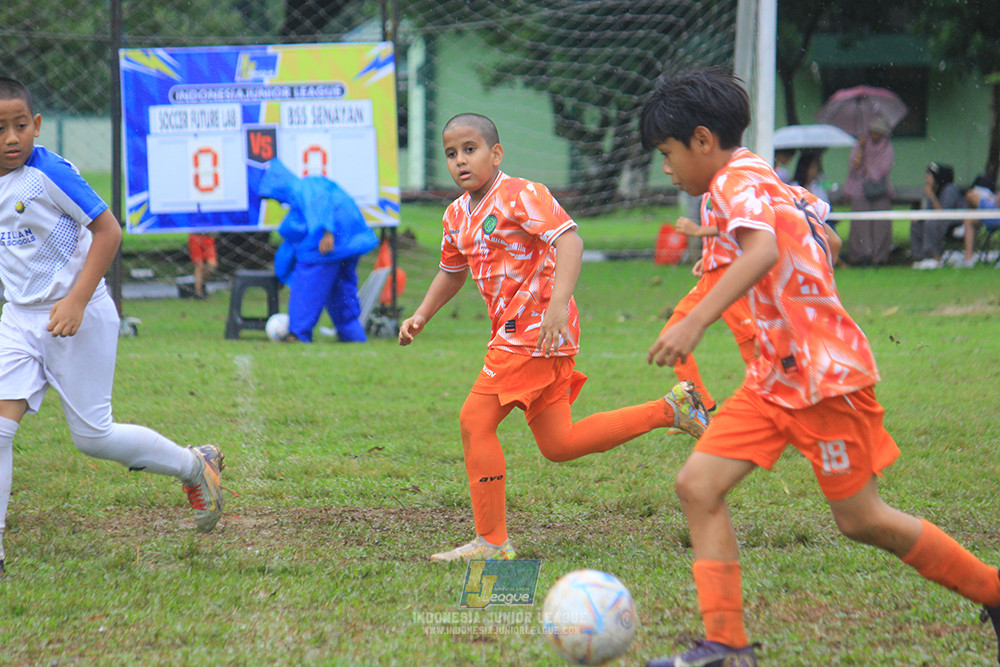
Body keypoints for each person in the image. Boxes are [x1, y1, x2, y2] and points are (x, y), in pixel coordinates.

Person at [637, 67, 1000, 666]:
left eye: (668, 153)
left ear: (703, 140)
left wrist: (696, 319)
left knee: (862, 520)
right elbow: (824, 239)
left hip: (823, 378)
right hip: (775, 380)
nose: (667, 167)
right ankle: (727, 647)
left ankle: (992, 588)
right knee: (697, 486)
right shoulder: (757, 175)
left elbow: (766, 248)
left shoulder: (729, 184)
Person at [398, 112, 711, 562]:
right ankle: (672, 408)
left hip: (534, 332)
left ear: (496, 153)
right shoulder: (454, 216)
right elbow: (452, 271)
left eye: (471, 149)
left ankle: (492, 540)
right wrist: (422, 314)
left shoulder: (522, 194)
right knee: (558, 444)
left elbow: (570, 242)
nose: (461, 161)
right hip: (524, 336)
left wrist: (558, 304)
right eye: (451, 154)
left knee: (475, 421)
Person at [0, 78, 225, 575]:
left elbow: (109, 231)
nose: (12, 138)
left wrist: (76, 299)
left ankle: (195, 465)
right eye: (0, 129)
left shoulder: (49, 174)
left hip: (78, 315)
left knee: (92, 438)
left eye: (21, 126)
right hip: (18, 317)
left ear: (36, 126)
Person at [258, 159, 379, 342]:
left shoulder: (303, 187)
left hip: (330, 244)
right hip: (351, 240)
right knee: (341, 289)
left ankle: (298, 333)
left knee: (307, 285)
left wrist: (326, 231)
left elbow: (319, 203)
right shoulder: (302, 202)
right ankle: (352, 334)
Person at [664, 210, 757, 414]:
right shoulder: (710, 187)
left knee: (754, 351)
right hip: (712, 275)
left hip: (733, 276)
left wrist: (699, 231)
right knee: (672, 337)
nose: (671, 175)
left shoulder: (731, 181)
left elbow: (746, 222)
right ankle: (700, 408)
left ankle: (787, 409)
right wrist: (710, 255)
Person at [843, 114, 895, 266]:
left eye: (878, 132)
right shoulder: (861, 144)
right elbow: (854, 166)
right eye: (873, 131)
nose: (875, 135)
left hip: (880, 190)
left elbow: (884, 168)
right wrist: (861, 148)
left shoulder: (887, 148)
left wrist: (870, 169)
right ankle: (861, 256)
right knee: (861, 223)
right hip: (860, 189)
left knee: (881, 224)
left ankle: (879, 257)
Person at [911, 162, 963, 270]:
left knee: (931, 223)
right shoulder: (934, 189)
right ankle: (920, 257)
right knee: (916, 223)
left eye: (929, 175)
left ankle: (935, 257)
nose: (926, 178)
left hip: (954, 221)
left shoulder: (949, 189)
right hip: (938, 220)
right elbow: (929, 211)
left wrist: (931, 195)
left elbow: (942, 212)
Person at [958, 175, 1000, 268]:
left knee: (970, 195)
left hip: (996, 214)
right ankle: (968, 260)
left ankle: (963, 228)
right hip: (994, 213)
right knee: (969, 219)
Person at [187, 232, 217, 299]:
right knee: (199, 265)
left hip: (207, 237)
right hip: (195, 236)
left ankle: (201, 282)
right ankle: (198, 293)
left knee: (212, 265)